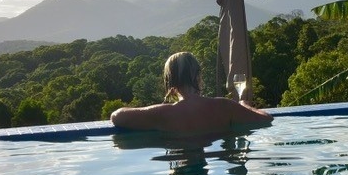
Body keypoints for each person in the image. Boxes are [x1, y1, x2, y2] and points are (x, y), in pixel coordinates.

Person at [111, 52, 272, 132]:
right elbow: (266, 119)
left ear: (170, 82)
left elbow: (117, 116)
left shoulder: (163, 114)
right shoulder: (224, 106)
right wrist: (244, 105)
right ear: (198, 76)